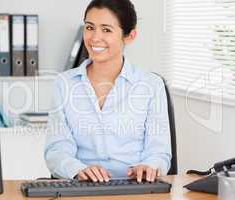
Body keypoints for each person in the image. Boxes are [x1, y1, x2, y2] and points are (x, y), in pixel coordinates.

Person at [44, 0, 171, 183]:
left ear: (129, 36)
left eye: (106, 30)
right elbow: (56, 150)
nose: (95, 38)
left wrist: (150, 166)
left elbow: (159, 152)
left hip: (135, 189)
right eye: (89, 27)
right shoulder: (64, 83)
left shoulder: (151, 85)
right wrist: (79, 169)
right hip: (82, 188)